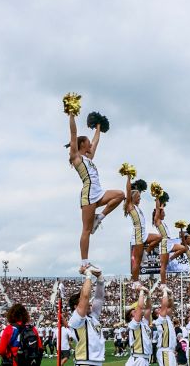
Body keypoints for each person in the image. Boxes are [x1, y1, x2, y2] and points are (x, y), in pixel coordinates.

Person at [67, 110, 125, 274]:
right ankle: (84, 263)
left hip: (98, 192)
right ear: (82, 145)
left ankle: (100, 217)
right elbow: (73, 133)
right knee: (86, 230)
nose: (91, 144)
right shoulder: (76, 157)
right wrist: (71, 115)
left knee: (120, 195)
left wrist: (98, 126)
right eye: (88, 142)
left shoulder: (88, 158)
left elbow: (96, 140)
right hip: (88, 195)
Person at [124, 175, 162, 288]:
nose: (140, 199)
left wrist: (157, 198)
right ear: (133, 197)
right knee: (137, 261)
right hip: (138, 235)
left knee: (159, 237)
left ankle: (147, 251)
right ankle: (135, 281)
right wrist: (128, 178)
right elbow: (128, 191)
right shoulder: (130, 206)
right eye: (138, 197)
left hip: (143, 233)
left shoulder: (137, 207)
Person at [68, 266, 106, 366]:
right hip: (85, 362)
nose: (89, 304)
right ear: (76, 306)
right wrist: (88, 275)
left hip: (96, 362)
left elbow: (99, 299)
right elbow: (85, 297)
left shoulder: (92, 317)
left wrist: (100, 279)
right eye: (85, 303)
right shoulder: (76, 319)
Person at [153, 198, 189, 293]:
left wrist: (162, 205)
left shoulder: (163, 222)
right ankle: (163, 285)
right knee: (163, 266)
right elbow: (157, 209)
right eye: (163, 212)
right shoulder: (157, 221)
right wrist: (157, 198)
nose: (165, 214)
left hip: (170, 242)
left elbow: (160, 209)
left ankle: (170, 259)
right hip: (164, 243)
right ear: (159, 214)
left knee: (184, 248)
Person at [125, 287, 153, 366]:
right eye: (134, 311)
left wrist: (148, 295)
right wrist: (141, 291)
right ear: (131, 317)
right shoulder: (133, 324)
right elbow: (140, 307)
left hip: (143, 358)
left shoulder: (143, 322)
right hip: (138, 358)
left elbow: (148, 309)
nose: (136, 311)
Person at [154, 289, 177, 366]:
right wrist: (164, 292)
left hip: (169, 351)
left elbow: (170, 306)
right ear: (157, 314)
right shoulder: (159, 319)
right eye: (158, 309)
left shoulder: (166, 318)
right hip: (165, 350)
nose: (160, 308)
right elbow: (164, 306)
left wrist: (171, 295)